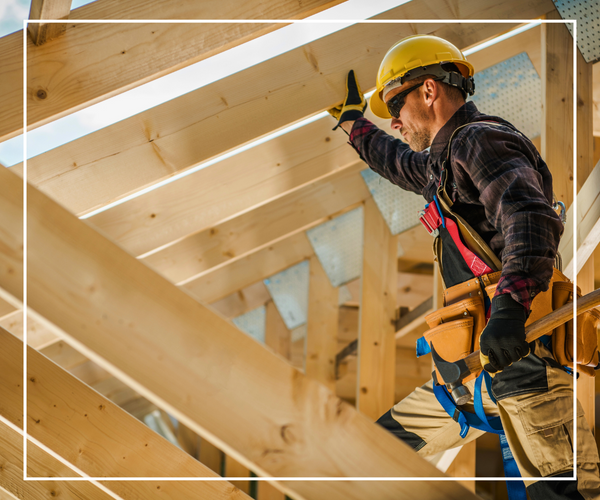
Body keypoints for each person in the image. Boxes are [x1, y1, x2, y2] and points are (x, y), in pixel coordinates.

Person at [329, 34, 600, 499]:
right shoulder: (442, 163)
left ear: (429, 91)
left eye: (396, 103)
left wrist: (511, 309)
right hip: (471, 376)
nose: (393, 121)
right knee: (369, 452)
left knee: (563, 496)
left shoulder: (479, 140)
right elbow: (394, 161)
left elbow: (529, 219)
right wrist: (355, 123)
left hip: (524, 365)